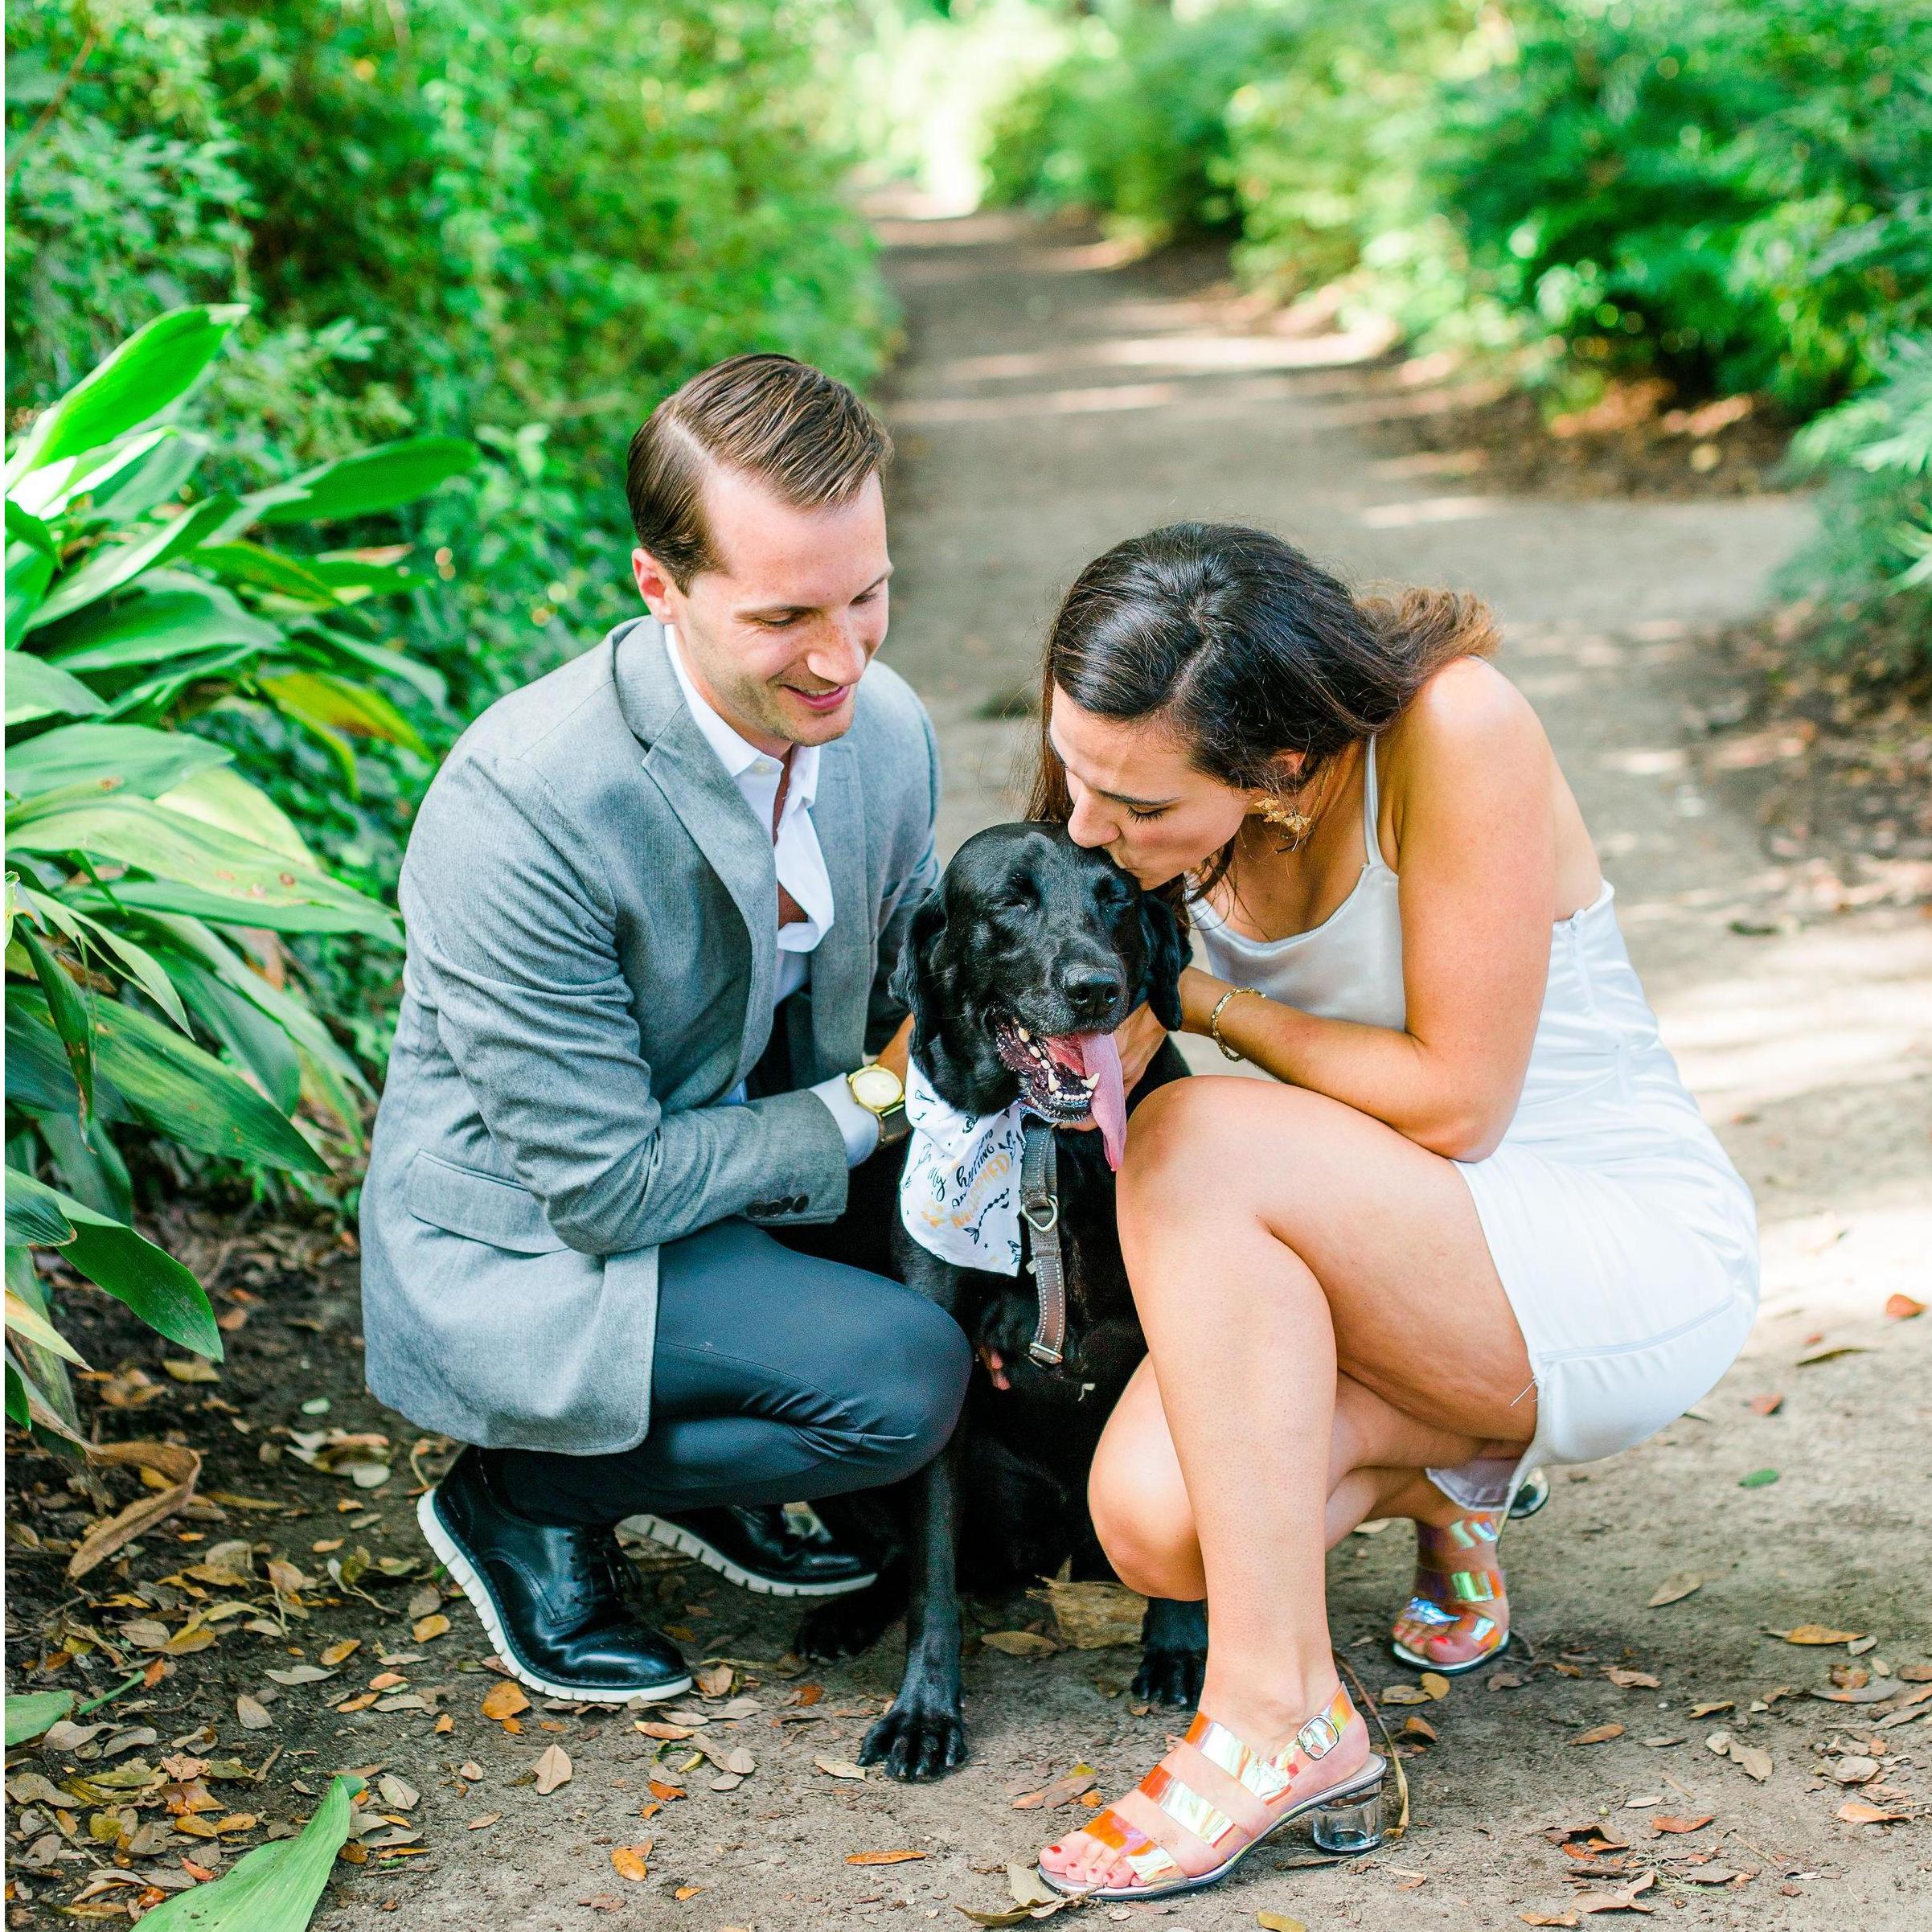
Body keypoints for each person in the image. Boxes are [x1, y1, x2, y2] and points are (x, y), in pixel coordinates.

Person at [1026, 524, 1759, 1900]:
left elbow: (1458, 1105)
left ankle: (1276, 1721)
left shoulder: (1456, 730)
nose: (1084, 827)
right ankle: (1462, 1479)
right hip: (1380, 1247)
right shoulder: (1124, 794)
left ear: (1280, 766)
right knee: (1154, 1526)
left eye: (1134, 805)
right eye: (1075, 771)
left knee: (1196, 1137)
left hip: (1598, 1242)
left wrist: (1196, 1002)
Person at [359, 355, 971, 1704]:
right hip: (543, 1234)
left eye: (867, 595)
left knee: (1000, 1268)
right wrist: (872, 1103)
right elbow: (603, 1187)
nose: (843, 658)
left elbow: (904, 984)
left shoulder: (885, 730)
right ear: (660, 586)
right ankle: (522, 1497)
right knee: (904, 1384)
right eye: (785, 617)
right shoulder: (523, 803)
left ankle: (708, 1466)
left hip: (749, 1170)